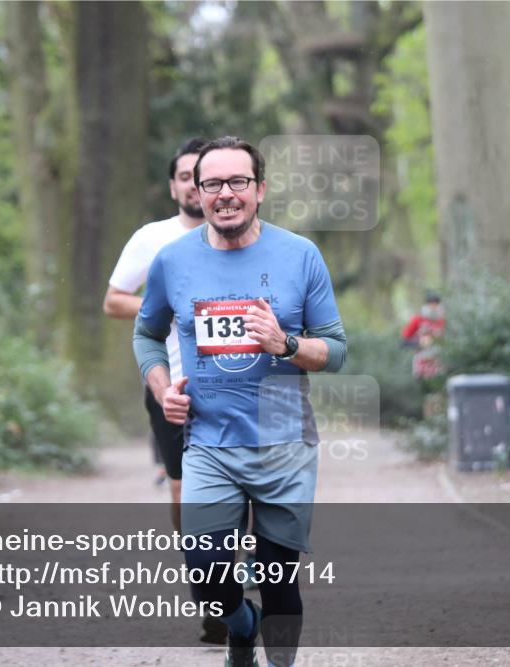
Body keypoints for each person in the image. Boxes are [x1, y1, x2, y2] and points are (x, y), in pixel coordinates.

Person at [133, 136, 347, 667]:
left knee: (279, 578)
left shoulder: (300, 255)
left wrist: (287, 345)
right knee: (205, 568)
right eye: (212, 184)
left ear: (260, 189)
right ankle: (240, 624)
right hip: (207, 439)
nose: (225, 194)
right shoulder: (172, 260)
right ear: (196, 192)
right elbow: (145, 334)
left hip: (283, 444)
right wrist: (163, 390)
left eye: (238, 183)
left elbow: (337, 351)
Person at [103, 137, 229, 646]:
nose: (195, 185)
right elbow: (114, 300)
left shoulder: (245, 237)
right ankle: (209, 583)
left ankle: (228, 585)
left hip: (239, 387)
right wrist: (168, 305)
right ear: (175, 185)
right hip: (172, 387)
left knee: (239, 492)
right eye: (184, 176)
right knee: (186, 494)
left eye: (205, 176)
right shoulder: (152, 238)